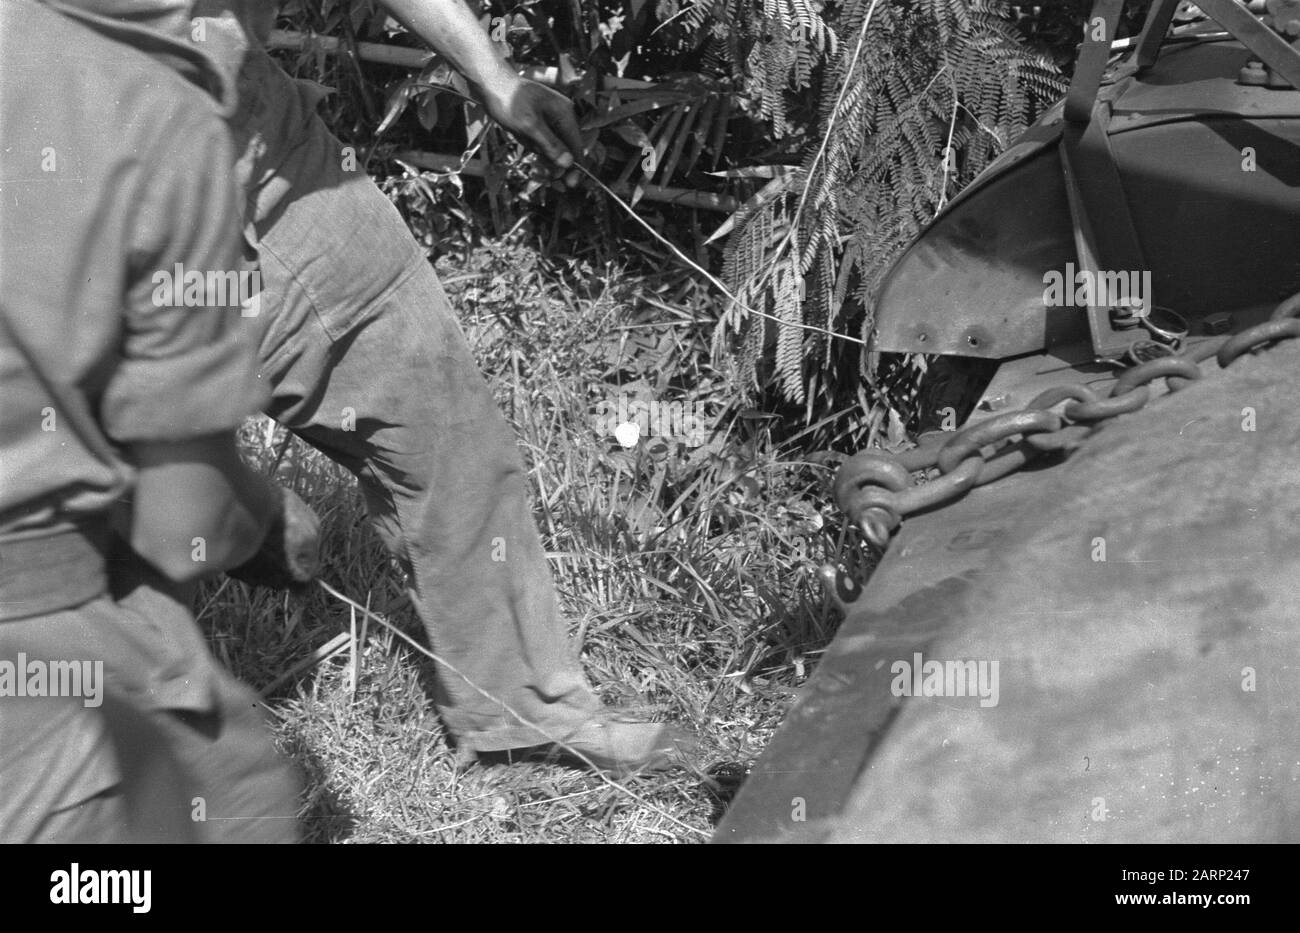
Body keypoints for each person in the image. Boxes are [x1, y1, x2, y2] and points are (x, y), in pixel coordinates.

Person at [48, 0, 695, 773]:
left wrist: (493, 75)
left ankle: (523, 714)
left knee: (439, 415)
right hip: (93, 218)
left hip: (273, 166)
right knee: (113, 534)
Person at [0, 0, 313, 841]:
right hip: (30, 677)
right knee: (233, 793)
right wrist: (262, 517)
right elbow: (182, 529)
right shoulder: (151, 112)